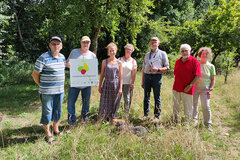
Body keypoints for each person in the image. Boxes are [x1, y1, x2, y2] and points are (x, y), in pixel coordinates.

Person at [32, 36, 65, 144]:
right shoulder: (43, 57)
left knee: (57, 111)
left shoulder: (62, 57)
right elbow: (35, 74)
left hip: (59, 91)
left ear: (61, 46)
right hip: (47, 92)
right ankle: (48, 135)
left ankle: (55, 130)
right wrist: (41, 85)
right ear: (50, 45)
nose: (56, 46)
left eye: (58, 44)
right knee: (47, 112)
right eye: (53, 44)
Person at [66, 36, 97, 127]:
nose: (85, 44)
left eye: (87, 42)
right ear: (81, 43)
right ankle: (71, 122)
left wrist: (94, 79)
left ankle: (84, 120)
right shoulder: (74, 52)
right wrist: (68, 65)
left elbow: (93, 70)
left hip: (86, 85)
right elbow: (67, 64)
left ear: (90, 44)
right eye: (84, 42)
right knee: (71, 103)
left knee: (86, 103)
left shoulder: (92, 55)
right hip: (74, 84)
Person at [141, 37, 169, 122]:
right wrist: (142, 80)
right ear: (150, 44)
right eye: (152, 42)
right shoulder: (146, 55)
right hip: (147, 77)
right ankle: (146, 115)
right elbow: (143, 68)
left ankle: (157, 116)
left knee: (157, 97)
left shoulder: (162, 54)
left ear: (158, 43)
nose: (153, 44)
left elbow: (167, 67)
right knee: (146, 97)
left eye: (155, 42)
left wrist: (158, 69)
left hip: (156, 77)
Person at [172, 44, 201, 123]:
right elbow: (175, 73)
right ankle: (175, 121)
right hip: (176, 88)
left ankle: (187, 123)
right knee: (176, 106)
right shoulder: (178, 61)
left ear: (190, 51)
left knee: (188, 107)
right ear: (180, 52)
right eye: (182, 51)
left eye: (186, 51)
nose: (184, 52)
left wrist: (190, 85)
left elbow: (197, 76)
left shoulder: (194, 61)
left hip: (188, 89)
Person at [98, 42, 123, 121]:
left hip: (116, 84)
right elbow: (101, 75)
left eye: (113, 50)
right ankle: (104, 117)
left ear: (116, 51)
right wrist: (99, 86)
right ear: (108, 51)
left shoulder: (119, 63)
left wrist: (120, 88)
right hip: (106, 84)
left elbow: (121, 76)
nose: (112, 52)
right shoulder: (104, 62)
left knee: (114, 101)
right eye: (110, 50)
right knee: (104, 101)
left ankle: (113, 117)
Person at [193, 47, 216, 131]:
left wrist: (211, 89)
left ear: (209, 55)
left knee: (206, 106)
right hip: (195, 88)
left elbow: (213, 79)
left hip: (205, 89)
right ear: (200, 55)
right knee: (194, 104)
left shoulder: (211, 66)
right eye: (203, 53)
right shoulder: (196, 64)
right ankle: (194, 120)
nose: (205, 55)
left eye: (206, 53)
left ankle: (208, 124)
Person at [118, 44, 137, 117]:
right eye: (127, 49)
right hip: (119, 83)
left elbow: (134, 73)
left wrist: (132, 83)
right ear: (125, 49)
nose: (128, 51)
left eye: (130, 50)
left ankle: (126, 115)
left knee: (127, 100)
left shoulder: (133, 61)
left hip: (127, 83)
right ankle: (115, 114)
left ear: (132, 51)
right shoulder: (119, 59)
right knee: (117, 99)